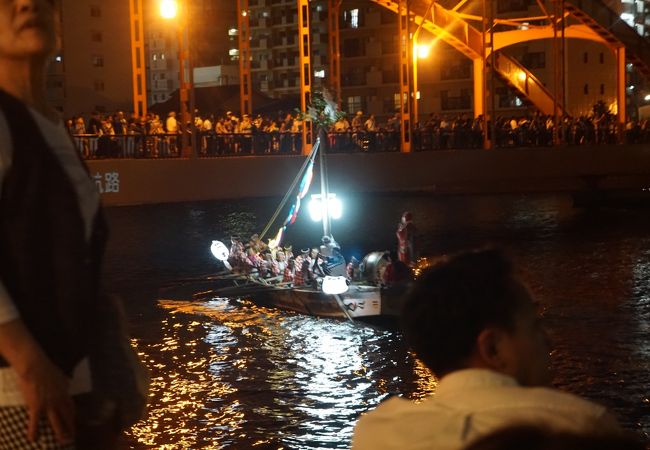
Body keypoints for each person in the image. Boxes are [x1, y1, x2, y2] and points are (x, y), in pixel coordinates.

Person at [0, 1, 146, 448]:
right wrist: (28, 362)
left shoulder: (48, 123)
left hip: (72, 380)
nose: (28, 3)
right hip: (21, 398)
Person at [352, 249, 623, 450]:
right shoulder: (581, 427)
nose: (548, 340)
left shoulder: (376, 432)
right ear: (492, 348)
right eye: (535, 327)